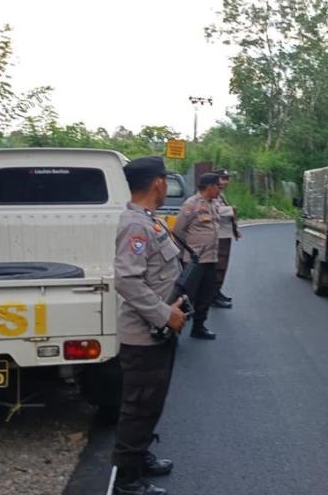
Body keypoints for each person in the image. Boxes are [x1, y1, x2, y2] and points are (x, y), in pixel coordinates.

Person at [111, 156, 189, 495]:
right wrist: (163, 314)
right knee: (139, 407)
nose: (166, 185)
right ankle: (127, 480)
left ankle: (140, 456)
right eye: (165, 180)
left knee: (151, 403)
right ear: (158, 183)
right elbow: (127, 281)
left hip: (158, 333)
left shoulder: (148, 220)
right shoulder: (135, 225)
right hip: (144, 336)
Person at [173, 172, 221, 340]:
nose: (220, 189)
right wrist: (186, 252)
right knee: (187, 296)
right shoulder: (191, 204)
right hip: (195, 260)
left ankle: (199, 327)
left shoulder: (213, 203)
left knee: (206, 295)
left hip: (211, 258)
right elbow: (178, 230)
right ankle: (174, 328)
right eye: (218, 186)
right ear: (210, 187)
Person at [211, 169, 241, 308]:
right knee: (219, 266)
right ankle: (213, 295)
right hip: (219, 234)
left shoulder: (220, 193)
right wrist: (230, 210)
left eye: (227, 179)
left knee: (222, 266)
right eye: (222, 179)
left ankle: (217, 292)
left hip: (225, 233)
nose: (225, 182)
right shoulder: (212, 193)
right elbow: (213, 209)